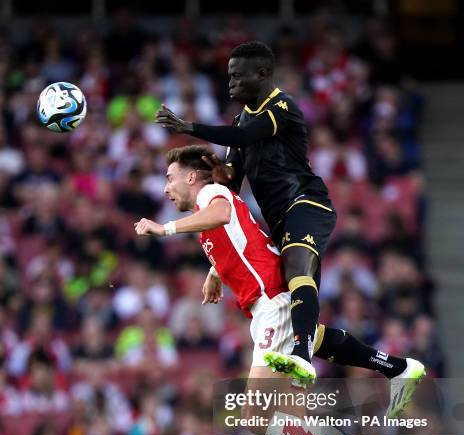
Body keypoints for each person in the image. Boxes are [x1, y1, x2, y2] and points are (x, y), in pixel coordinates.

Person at [134, 144, 415, 435]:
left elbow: (221, 213)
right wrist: (216, 273)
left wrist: (164, 228)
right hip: (267, 307)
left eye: (169, 179)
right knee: (291, 403)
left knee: (256, 416)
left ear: (190, 176)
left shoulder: (211, 195)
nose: (166, 189)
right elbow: (238, 236)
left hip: (273, 305)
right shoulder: (209, 208)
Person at [154, 41, 425, 395]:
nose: (231, 82)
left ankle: (300, 355)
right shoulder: (239, 122)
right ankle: (397, 368)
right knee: (298, 314)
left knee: (297, 273)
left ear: (263, 74)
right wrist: (215, 266)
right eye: (229, 76)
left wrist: (189, 125)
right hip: (280, 221)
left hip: (307, 203)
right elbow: (230, 190)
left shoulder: (281, 106)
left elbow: (245, 135)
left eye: (238, 75)